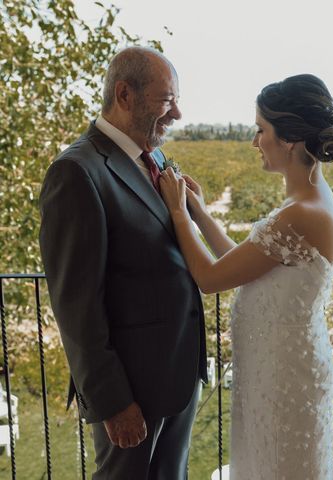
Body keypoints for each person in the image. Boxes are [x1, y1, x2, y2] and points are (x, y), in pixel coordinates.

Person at [159, 74, 333, 479]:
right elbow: (241, 265)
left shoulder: (301, 213)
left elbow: (210, 278)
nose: (254, 141)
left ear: (289, 140)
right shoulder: (307, 202)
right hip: (273, 371)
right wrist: (200, 213)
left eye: (261, 130)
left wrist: (178, 212)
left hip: (284, 379)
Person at [39, 47, 207, 479]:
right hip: (132, 388)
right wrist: (113, 401)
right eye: (167, 101)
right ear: (125, 94)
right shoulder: (77, 171)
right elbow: (76, 305)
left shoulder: (155, 159)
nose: (178, 113)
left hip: (176, 377)